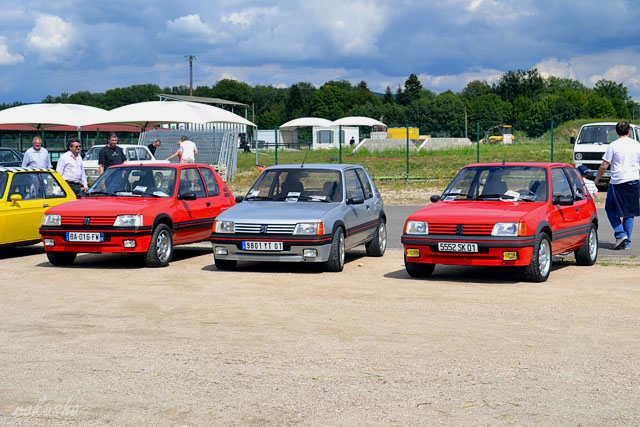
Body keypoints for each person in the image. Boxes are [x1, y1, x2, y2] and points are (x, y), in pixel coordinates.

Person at [594, 121, 640, 250]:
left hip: (617, 181)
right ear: (629, 131)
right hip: (633, 181)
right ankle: (627, 242)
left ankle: (620, 233)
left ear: (617, 131)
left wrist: (597, 179)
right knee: (629, 213)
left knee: (610, 208)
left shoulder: (613, 146)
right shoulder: (637, 145)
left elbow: (604, 164)